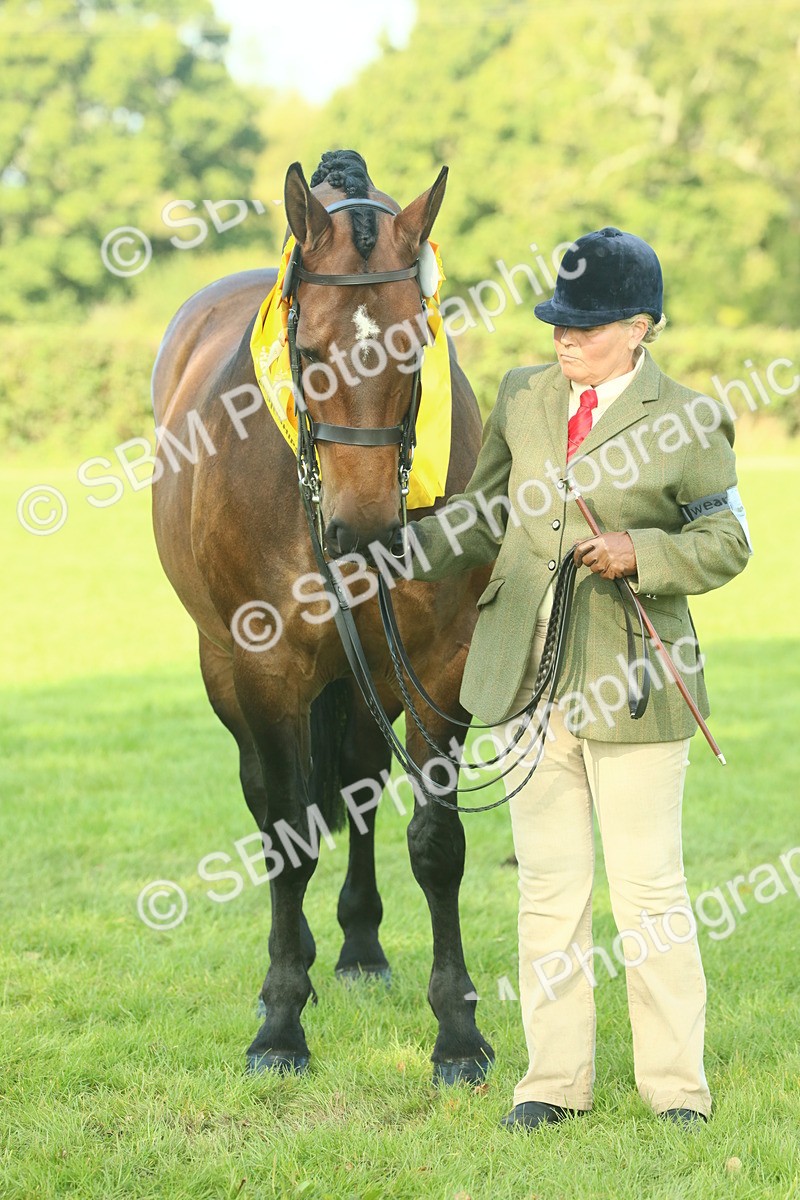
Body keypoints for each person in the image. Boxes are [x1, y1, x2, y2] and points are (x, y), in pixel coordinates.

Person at [406, 227, 751, 1130]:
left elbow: (728, 541)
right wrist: (396, 550)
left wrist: (645, 551)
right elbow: (481, 516)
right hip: (523, 678)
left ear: (640, 327)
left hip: (633, 683)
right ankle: (551, 1084)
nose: (564, 339)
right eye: (557, 322)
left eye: (586, 327)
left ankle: (676, 1089)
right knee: (548, 890)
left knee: (650, 895)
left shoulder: (692, 417)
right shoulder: (523, 397)